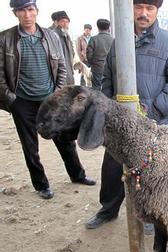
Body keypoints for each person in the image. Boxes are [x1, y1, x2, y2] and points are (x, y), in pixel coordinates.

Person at [85, 0, 168, 230]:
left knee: (152, 174)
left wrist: (150, 109)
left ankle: (153, 215)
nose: (143, 13)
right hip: (118, 126)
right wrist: (111, 110)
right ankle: (108, 210)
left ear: (157, 11)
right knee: (112, 171)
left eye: (150, 8)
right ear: (130, 8)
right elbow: (106, 80)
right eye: (138, 7)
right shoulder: (118, 43)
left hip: (154, 124)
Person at [0, 0, 95, 200]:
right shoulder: (5, 38)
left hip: (50, 101)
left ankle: (78, 175)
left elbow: (61, 65)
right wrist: (12, 100)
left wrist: (57, 94)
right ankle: (41, 185)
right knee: (30, 146)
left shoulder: (50, 36)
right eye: (22, 11)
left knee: (65, 140)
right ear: (15, 13)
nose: (27, 15)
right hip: (22, 102)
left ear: (36, 11)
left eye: (30, 10)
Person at [86, 19, 113, 90]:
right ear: (108, 28)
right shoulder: (113, 40)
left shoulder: (93, 39)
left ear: (98, 28)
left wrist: (90, 64)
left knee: (96, 88)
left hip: (97, 67)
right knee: (108, 88)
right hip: (110, 69)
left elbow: (89, 54)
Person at [53, 11, 75, 85]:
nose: (65, 24)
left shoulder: (66, 35)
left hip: (69, 70)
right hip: (60, 72)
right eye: (63, 22)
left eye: (67, 22)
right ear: (57, 22)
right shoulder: (54, 35)